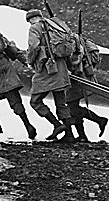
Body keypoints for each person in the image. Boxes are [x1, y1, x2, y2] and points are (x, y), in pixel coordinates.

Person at [26, 8, 75, 142]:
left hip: (46, 69)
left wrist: (30, 61)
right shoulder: (55, 26)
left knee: (35, 101)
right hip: (61, 68)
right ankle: (69, 134)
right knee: (61, 103)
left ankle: (57, 125)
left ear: (31, 19)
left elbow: (34, 47)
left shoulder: (35, 28)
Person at [65, 33, 108, 142]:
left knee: (72, 107)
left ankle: (99, 120)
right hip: (81, 77)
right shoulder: (77, 40)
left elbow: (74, 60)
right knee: (73, 107)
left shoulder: (72, 42)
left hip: (77, 78)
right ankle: (82, 136)